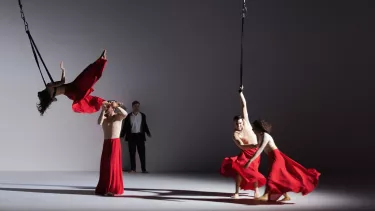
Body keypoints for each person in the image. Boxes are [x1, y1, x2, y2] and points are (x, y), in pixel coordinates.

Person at [239, 119, 320, 201]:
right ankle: (286, 196)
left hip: (276, 157)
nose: (253, 129)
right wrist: (242, 145)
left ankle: (266, 195)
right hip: (272, 157)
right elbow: (256, 146)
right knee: (279, 176)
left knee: (272, 175)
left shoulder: (266, 136)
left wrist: (249, 161)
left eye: (254, 128)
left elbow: (260, 150)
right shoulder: (260, 136)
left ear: (259, 128)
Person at [220, 86, 266, 199]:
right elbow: (242, 146)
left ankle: (256, 191)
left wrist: (241, 93)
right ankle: (236, 192)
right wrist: (254, 145)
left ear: (243, 122)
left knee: (254, 171)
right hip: (246, 153)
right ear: (234, 124)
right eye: (236, 124)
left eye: (240, 123)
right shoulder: (235, 134)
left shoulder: (246, 123)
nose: (239, 125)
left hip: (255, 152)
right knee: (239, 171)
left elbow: (244, 106)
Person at [36, 50, 108, 115]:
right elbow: (62, 81)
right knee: (86, 75)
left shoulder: (51, 97)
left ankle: (101, 60)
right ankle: (101, 60)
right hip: (72, 87)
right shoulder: (49, 86)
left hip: (71, 94)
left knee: (87, 93)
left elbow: (54, 99)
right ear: (43, 92)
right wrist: (63, 70)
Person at [95, 100, 128, 196]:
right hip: (106, 143)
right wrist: (102, 110)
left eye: (108, 106)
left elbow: (125, 113)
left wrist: (117, 105)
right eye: (106, 106)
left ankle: (113, 189)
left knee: (112, 165)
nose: (106, 107)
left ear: (112, 107)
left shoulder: (118, 117)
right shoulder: (104, 118)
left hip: (115, 143)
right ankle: (105, 188)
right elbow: (99, 122)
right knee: (105, 165)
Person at [120, 100, 151, 173]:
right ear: (132, 107)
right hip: (131, 136)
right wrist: (122, 135)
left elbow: (145, 125)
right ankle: (133, 169)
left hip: (140, 136)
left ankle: (144, 169)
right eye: (135, 106)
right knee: (132, 153)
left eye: (138, 106)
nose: (137, 107)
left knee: (142, 153)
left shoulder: (143, 115)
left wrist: (148, 133)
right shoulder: (128, 116)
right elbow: (125, 127)